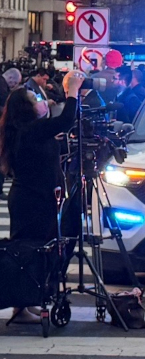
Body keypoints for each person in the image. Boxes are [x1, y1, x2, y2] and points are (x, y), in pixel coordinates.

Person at [0, 70, 84, 324]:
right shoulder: (30, 132)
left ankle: (25, 302)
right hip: (32, 201)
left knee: (35, 250)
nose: (42, 101)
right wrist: (72, 91)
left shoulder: (30, 131)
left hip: (38, 198)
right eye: (35, 99)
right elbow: (66, 120)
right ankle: (21, 305)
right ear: (26, 110)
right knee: (27, 251)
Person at [0, 68, 21, 200]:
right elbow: (3, 105)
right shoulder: (2, 87)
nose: (14, 87)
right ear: (11, 80)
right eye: (15, 84)